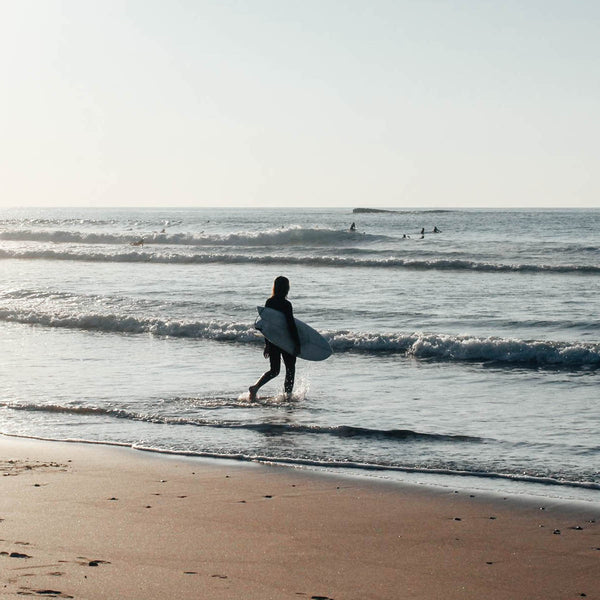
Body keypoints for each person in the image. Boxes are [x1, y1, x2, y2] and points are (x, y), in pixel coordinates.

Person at [249, 276, 301, 400]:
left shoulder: (269, 302)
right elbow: (290, 325)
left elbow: (266, 324)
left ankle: (255, 387)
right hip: (285, 340)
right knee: (290, 369)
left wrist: (267, 344)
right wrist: (297, 343)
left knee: (274, 370)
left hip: (273, 340)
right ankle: (287, 396)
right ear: (286, 288)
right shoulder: (287, 304)